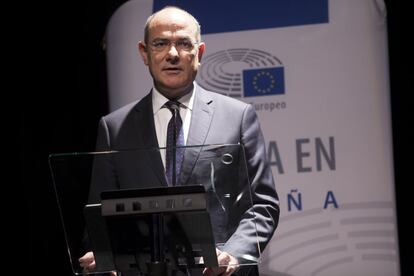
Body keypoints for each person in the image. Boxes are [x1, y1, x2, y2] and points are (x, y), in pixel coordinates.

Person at [79, 6, 279, 276]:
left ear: (199, 52)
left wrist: (234, 254)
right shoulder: (114, 128)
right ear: (144, 53)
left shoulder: (238, 117)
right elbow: (99, 215)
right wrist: (103, 254)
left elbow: (262, 204)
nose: (172, 54)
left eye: (183, 43)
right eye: (160, 43)